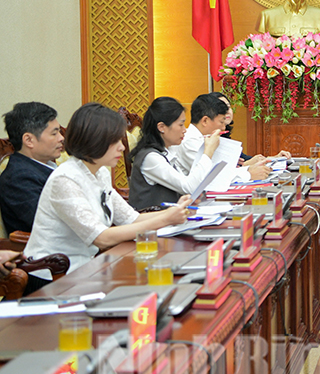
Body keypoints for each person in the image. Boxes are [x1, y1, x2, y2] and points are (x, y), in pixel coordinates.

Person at [23, 103, 189, 280]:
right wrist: (165, 219)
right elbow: (101, 238)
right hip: (52, 276)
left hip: (88, 267)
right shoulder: (65, 179)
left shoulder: (100, 172)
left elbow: (131, 218)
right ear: (94, 141)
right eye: (115, 141)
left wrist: (175, 211)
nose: (122, 147)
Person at [128, 97, 219, 210]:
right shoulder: (150, 158)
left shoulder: (169, 149)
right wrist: (208, 151)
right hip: (154, 219)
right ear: (161, 127)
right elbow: (189, 187)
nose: (185, 130)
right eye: (181, 125)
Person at [174, 94, 271, 181]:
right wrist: (248, 173)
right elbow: (212, 176)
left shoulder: (206, 138)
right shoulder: (189, 142)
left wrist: (246, 167)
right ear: (205, 121)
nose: (223, 127)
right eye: (221, 122)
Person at [0, 102, 64, 235]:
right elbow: (50, 226)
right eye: (54, 133)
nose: (61, 138)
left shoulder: (46, 166)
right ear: (29, 140)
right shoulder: (18, 179)